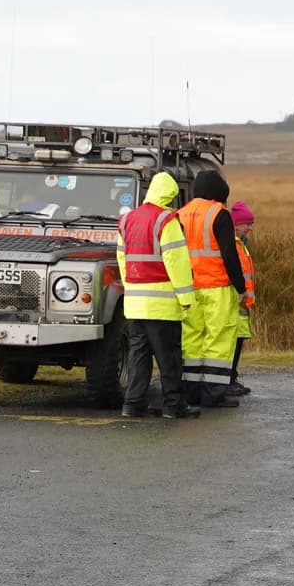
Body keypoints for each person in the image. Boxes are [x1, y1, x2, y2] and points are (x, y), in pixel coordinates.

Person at [116, 171, 197, 418]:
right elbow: (177, 262)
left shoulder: (127, 219)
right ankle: (174, 406)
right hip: (162, 306)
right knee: (168, 359)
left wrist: (131, 287)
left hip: (134, 305)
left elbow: (122, 258)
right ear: (170, 195)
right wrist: (186, 299)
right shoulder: (166, 220)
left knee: (138, 357)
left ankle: (132, 404)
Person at [176, 169, 248, 409]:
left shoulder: (180, 214)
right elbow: (230, 255)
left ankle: (191, 393)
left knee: (192, 339)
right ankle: (213, 394)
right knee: (218, 340)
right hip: (217, 287)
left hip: (188, 289)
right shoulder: (219, 214)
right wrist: (241, 287)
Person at [227, 200, 256, 398]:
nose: (249, 229)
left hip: (242, 305)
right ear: (237, 224)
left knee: (237, 342)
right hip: (235, 304)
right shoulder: (234, 245)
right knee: (232, 344)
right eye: (247, 224)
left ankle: (232, 378)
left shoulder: (240, 245)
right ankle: (229, 379)